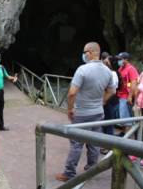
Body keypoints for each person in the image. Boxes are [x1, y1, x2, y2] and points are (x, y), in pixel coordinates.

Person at [55, 42, 116, 182]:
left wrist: (70, 109)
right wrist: (101, 102)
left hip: (82, 113)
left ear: (89, 52)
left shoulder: (82, 69)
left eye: (84, 52)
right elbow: (112, 91)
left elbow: (71, 93)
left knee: (76, 143)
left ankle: (69, 173)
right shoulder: (107, 71)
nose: (83, 55)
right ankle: (92, 169)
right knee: (94, 142)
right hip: (98, 113)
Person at [116, 52, 139, 132]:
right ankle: (124, 133)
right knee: (122, 117)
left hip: (126, 96)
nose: (118, 61)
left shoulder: (131, 69)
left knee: (125, 117)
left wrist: (130, 96)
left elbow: (133, 83)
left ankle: (128, 136)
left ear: (126, 59)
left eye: (120, 59)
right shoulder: (120, 69)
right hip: (120, 95)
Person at [102, 56, 120, 136]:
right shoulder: (108, 72)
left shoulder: (113, 74)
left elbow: (113, 91)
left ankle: (108, 144)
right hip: (107, 101)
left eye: (106, 63)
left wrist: (104, 101)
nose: (104, 64)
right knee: (104, 123)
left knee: (108, 123)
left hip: (110, 102)